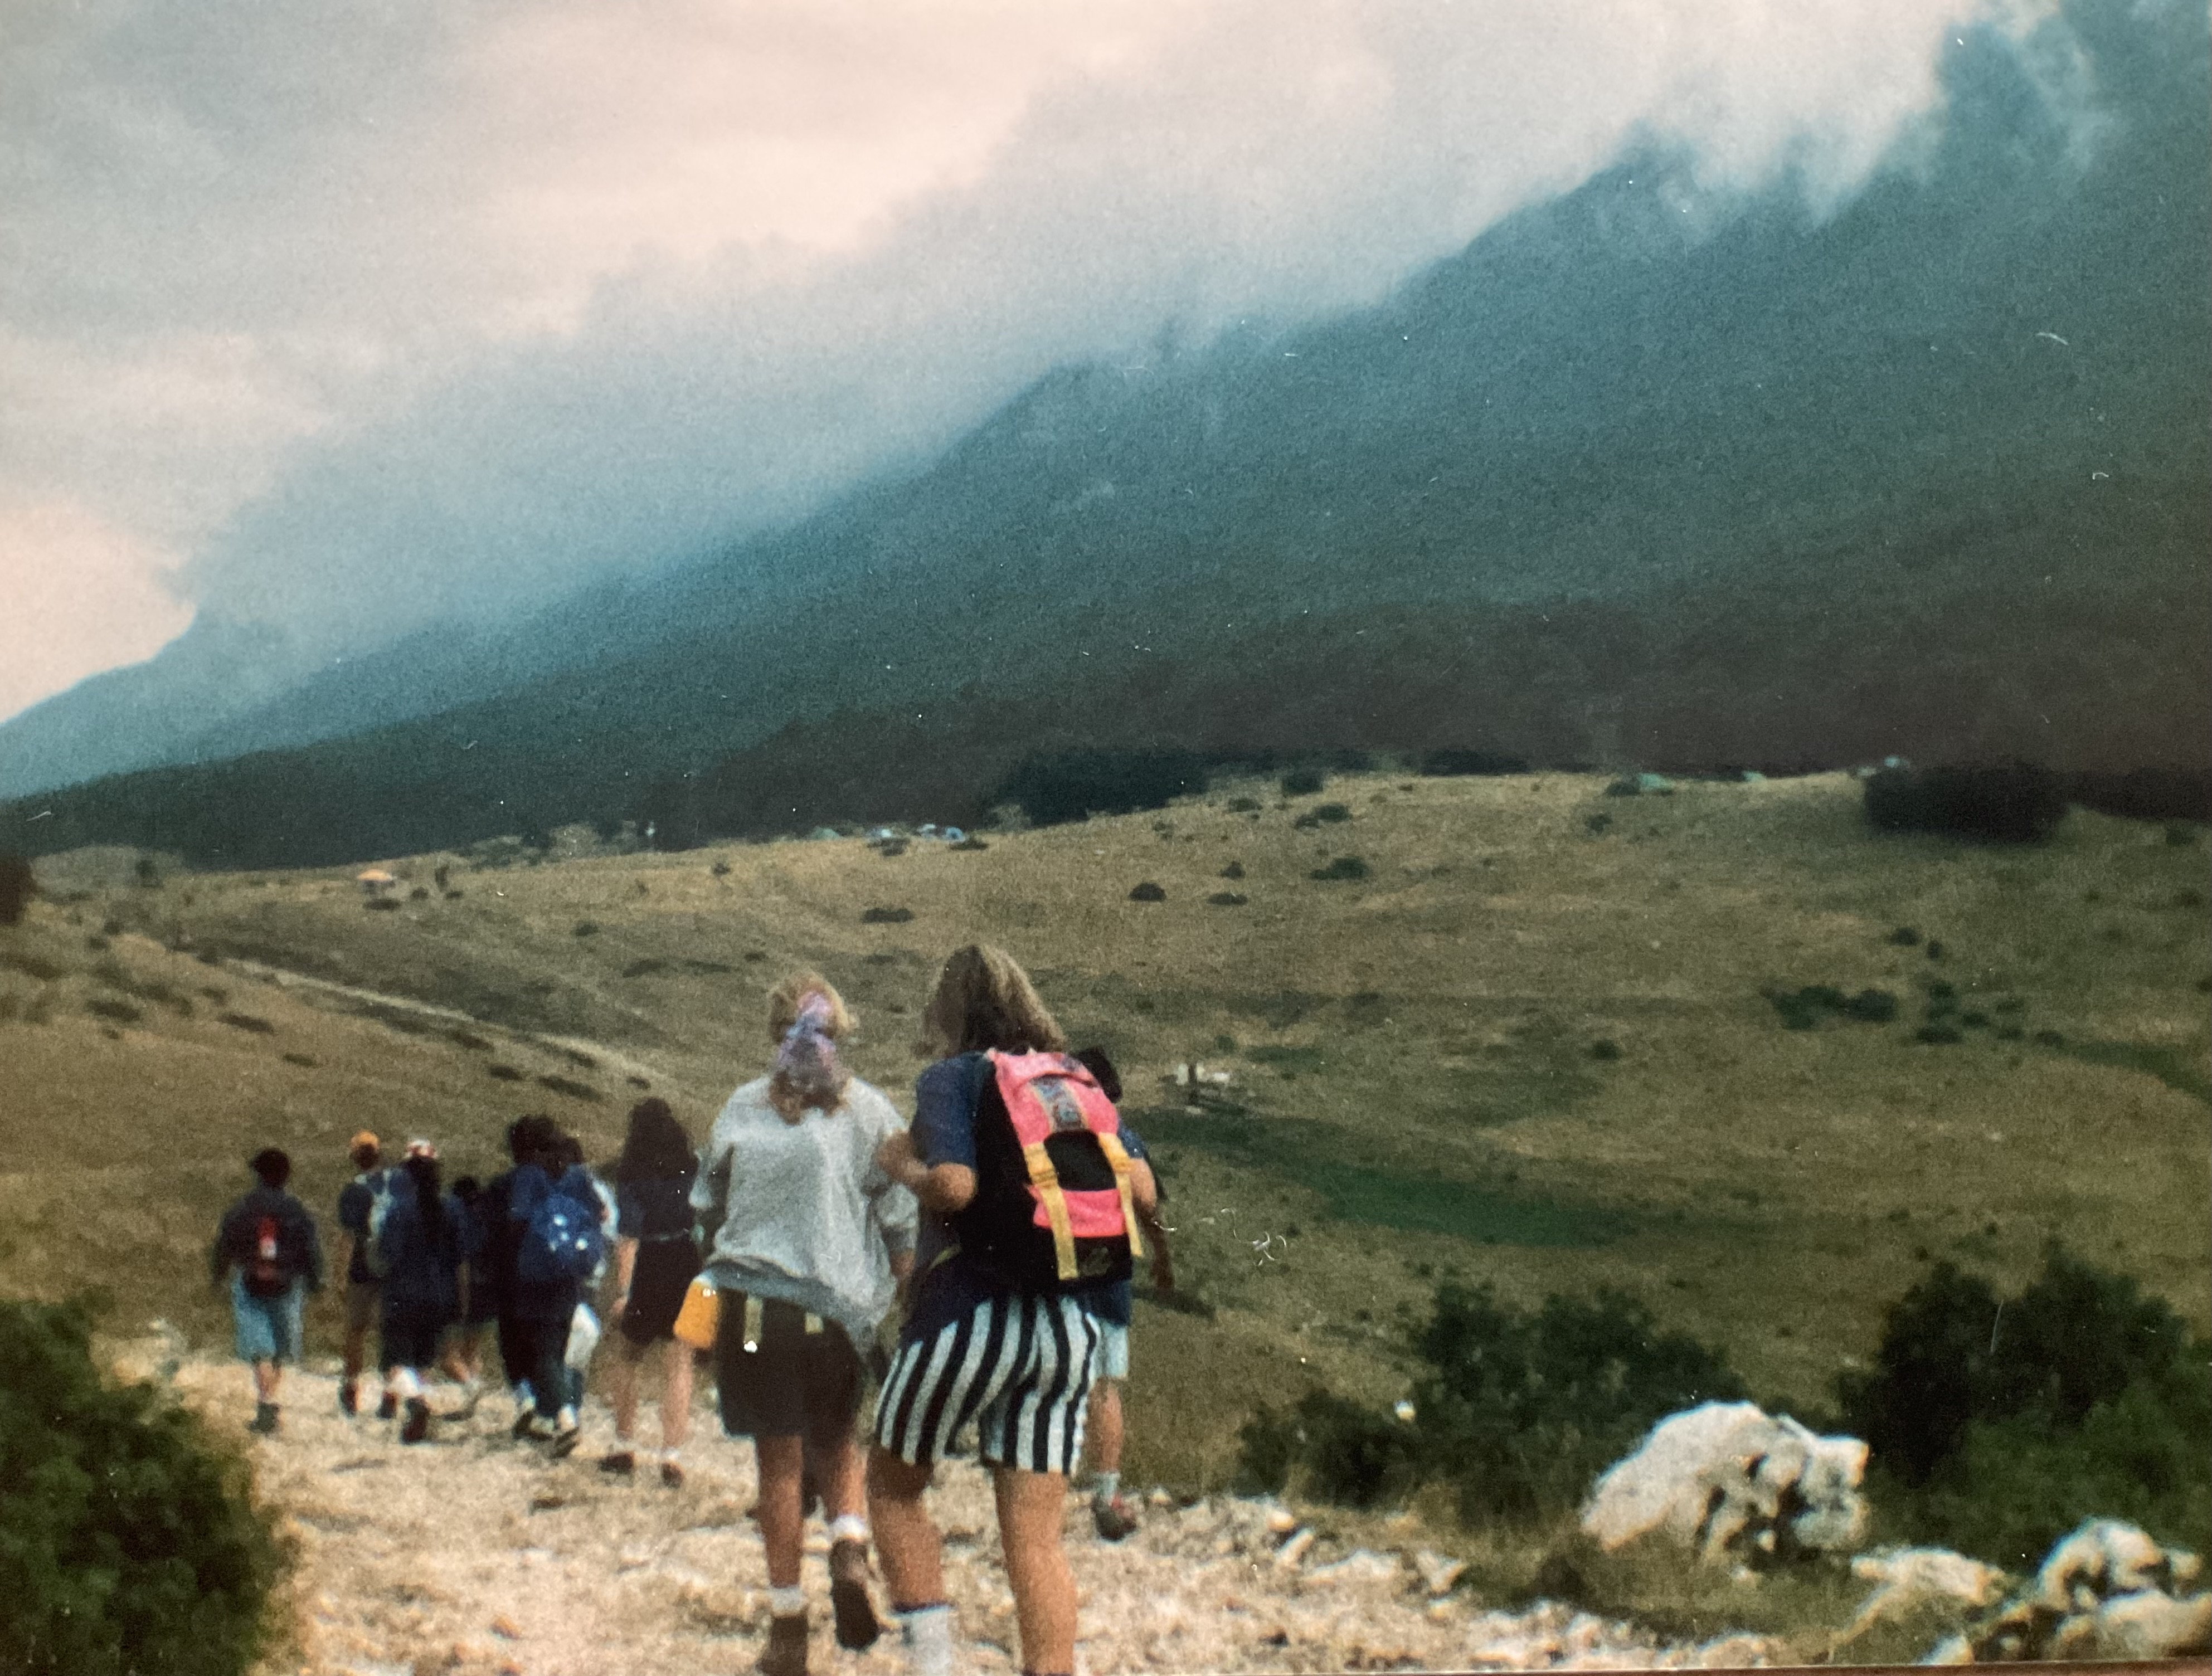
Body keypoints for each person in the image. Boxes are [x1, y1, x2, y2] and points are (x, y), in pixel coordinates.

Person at [869, 946, 1159, 1676]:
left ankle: (932, 1663)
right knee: (1036, 1541)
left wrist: (899, 1164)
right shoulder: (1076, 1080)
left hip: (966, 1317)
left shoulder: (952, 1076)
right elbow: (1146, 1195)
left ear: (946, 1012)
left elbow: (955, 1188)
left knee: (895, 1490)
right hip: (1068, 1327)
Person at [692, 972, 917, 1676]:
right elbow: (902, 1225)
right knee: (837, 1438)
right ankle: (849, 1543)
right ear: (842, 1032)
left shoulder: (740, 1106)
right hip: (834, 1317)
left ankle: (789, 1629)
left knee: (779, 1463)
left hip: (756, 1314)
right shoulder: (872, 1112)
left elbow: (708, 1203)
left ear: (772, 1033)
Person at [1067, 1049, 1177, 1542]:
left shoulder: (1048, 1134)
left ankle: (1042, 1484)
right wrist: (1161, 1256)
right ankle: (1107, 1492)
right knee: (1104, 1387)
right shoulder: (1122, 1137)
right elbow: (1148, 1201)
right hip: (1107, 1271)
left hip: (1053, 1270)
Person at [602, 1097, 702, 1487]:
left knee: (628, 1355)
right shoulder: (689, 1169)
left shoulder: (632, 1174)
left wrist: (624, 1291)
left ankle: (624, 1445)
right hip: (685, 1259)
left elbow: (627, 1237)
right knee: (679, 1361)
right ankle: (672, 1455)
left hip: (649, 1262)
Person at [210, 1147, 324, 1435]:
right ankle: (269, 1399)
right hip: (287, 1282)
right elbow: (310, 1248)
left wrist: (218, 1275)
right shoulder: (296, 1209)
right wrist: (314, 1279)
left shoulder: (243, 1208)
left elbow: (225, 1244)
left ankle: (266, 1403)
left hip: (250, 1280)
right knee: (281, 1349)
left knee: (259, 1347)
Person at [506, 1121, 600, 1455]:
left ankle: (565, 1420)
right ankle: (560, 1412)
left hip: (535, 1275)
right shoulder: (577, 1176)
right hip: (569, 1276)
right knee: (558, 1347)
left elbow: (518, 1220)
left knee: (541, 1351)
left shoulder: (529, 1176)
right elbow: (598, 1214)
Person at [375, 1139, 467, 1444]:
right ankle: (417, 1417)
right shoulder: (453, 1208)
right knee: (424, 1359)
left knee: (394, 1361)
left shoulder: (401, 1209)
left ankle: (417, 1404)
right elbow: (461, 1255)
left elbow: (388, 1252)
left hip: (404, 1292)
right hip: (440, 1293)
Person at [483, 1113, 562, 1434]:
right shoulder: (558, 1181)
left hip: (514, 1273)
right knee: (544, 1344)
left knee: (513, 1341)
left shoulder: (515, 1181)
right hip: (551, 1276)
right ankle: (549, 1412)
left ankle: (528, 1400)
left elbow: (510, 1223)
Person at [333, 1131, 388, 1417]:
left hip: (362, 1267)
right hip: (392, 1269)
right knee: (387, 1332)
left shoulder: (354, 1190)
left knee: (356, 1331)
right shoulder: (394, 1185)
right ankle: (391, 1393)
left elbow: (348, 1236)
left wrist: (339, 1274)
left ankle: (351, 1387)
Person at [438, 1173, 493, 1416]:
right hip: (487, 1291)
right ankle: (471, 1404)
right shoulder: (485, 1219)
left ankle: (472, 1387)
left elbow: (461, 1262)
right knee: (472, 1351)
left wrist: (461, 1301)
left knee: (447, 1356)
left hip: (463, 1290)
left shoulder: (458, 1220)